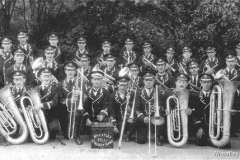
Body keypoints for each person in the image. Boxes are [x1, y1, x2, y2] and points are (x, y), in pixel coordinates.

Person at [58, 61, 87, 145]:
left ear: (75, 71)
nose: (70, 72)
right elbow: (60, 99)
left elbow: (86, 97)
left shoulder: (81, 82)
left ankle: (77, 135)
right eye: (68, 70)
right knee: (67, 136)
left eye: (72, 70)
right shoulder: (60, 84)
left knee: (78, 113)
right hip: (66, 109)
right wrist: (70, 100)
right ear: (65, 71)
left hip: (77, 108)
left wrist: (80, 93)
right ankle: (67, 132)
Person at [135, 69, 165, 146]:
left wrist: (159, 107)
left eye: (151, 80)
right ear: (143, 81)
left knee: (160, 116)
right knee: (141, 141)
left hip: (154, 116)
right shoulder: (138, 93)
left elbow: (163, 106)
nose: (149, 82)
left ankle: (157, 136)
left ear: (154, 81)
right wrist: (143, 118)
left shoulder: (158, 92)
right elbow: (137, 109)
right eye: (147, 80)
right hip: (144, 117)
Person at [33, 68, 60, 140]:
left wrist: (41, 105)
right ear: (40, 77)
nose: (46, 78)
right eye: (44, 76)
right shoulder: (35, 88)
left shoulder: (54, 88)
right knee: (37, 133)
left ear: (51, 77)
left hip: (50, 114)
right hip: (38, 114)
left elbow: (54, 102)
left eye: (48, 76)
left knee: (54, 128)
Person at [109, 76, 136, 140]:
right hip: (118, 119)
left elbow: (134, 107)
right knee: (115, 137)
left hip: (128, 118)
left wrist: (130, 109)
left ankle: (129, 134)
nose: (123, 87)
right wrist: (114, 125)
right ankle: (124, 131)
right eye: (121, 85)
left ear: (127, 86)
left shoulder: (131, 94)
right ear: (117, 85)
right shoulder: (113, 96)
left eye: (125, 85)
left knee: (134, 121)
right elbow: (111, 111)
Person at [193, 74, 214, 146]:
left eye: (208, 82)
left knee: (225, 144)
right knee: (201, 143)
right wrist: (199, 127)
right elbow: (194, 114)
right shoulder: (195, 96)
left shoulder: (216, 94)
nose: (206, 84)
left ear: (211, 83)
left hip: (214, 124)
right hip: (202, 124)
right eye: (204, 82)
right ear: (201, 83)